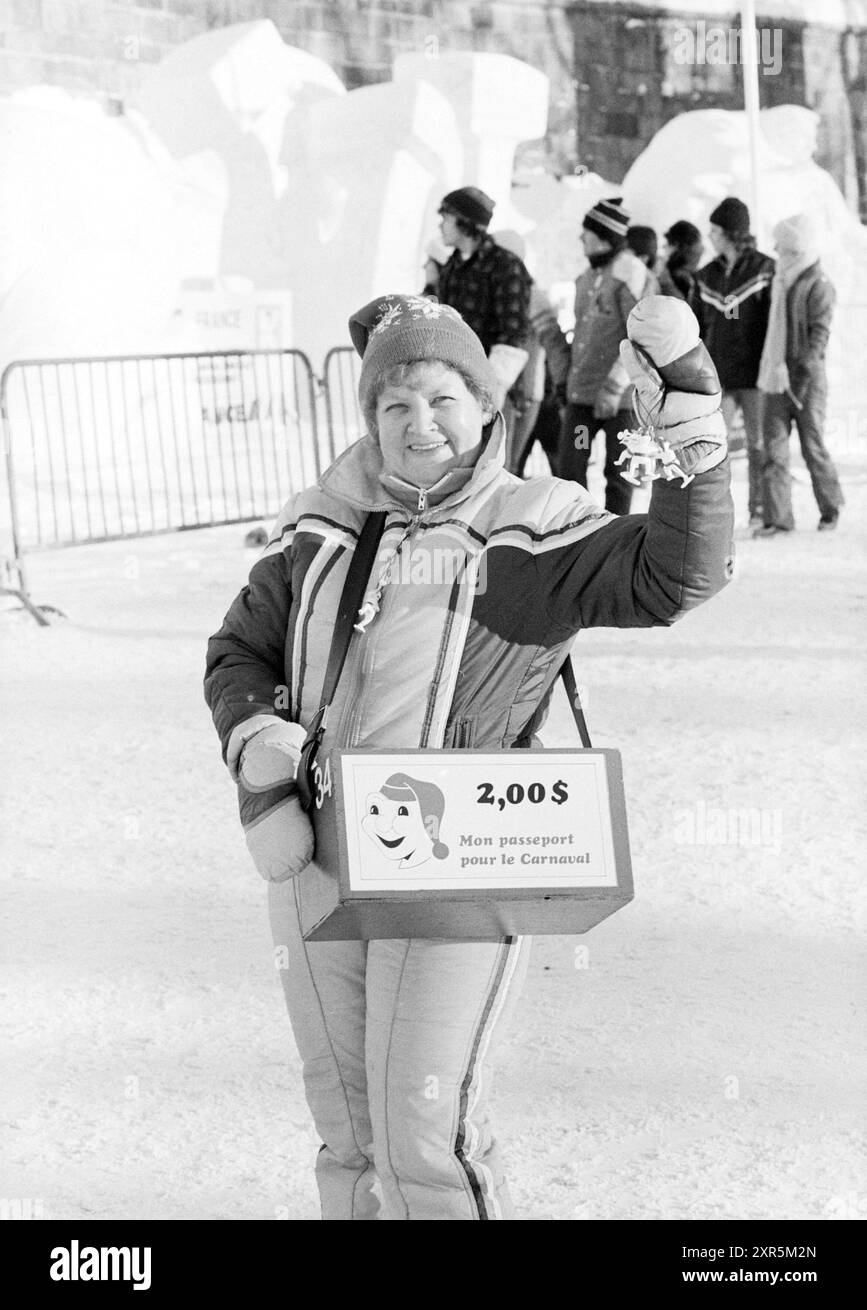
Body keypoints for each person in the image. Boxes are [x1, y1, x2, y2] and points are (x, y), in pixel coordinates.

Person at [203, 292, 733, 1221]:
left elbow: (675, 575)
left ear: (487, 407)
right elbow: (237, 651)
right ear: (368, 418)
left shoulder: (534, 524)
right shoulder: (320, 528)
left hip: (454, 858)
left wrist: (690, 427)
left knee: (423, 1130)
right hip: (315, 859)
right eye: (394, 406)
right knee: (348, 1129)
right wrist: (256, 745)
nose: (420, 425)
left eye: (444, 399)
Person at [557, 197, 658, 513]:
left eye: (585, 233)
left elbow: (640, 337)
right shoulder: (587, 278)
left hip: (622, 401)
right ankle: (580, 531)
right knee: (572, 466)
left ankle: (616, 538)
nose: (580, 240)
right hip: (583, 398)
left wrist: (614, 386)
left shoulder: (630, 277)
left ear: (601, 237)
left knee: (618, 473)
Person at [755, 213, 844, 535]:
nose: (777, 251)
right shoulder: (780, 281)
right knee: (773, 449)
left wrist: (802, 377)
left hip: (805, 380)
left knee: (812, 445)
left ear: (795, 247)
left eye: (782, 246)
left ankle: (831, 506)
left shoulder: (817, 285)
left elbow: (819, 336)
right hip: (774, 376)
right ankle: (778, 519)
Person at [696, 196, 775, 529]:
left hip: (756, 375)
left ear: (730, 232)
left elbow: (773, 322)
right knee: (715, 447)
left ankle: (759, 510)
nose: (710, 235)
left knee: (759, 445)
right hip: (720, 376)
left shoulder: (765, 269)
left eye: (714, 229)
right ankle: (717, 512)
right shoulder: (706, 276)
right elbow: (697, 326)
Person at [423, 185, 532, 407]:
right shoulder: (452, 266)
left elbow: (514, 334)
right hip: (455, 387)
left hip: (494, 393)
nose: (440, 225)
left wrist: (492, 388)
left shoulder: (505, 266)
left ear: (464, 222)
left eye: (446, 218)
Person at [492, 229, 571, 476]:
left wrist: (527, 391)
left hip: (525, 391)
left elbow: (543, 346)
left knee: (508, 466)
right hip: (507, 388)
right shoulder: (499, 289)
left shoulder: (531, 295)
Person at [658, 219, 704, 321]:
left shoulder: (671, 277)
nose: (663, 247)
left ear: (676, 247)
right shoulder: (699, 278)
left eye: (668, 244)